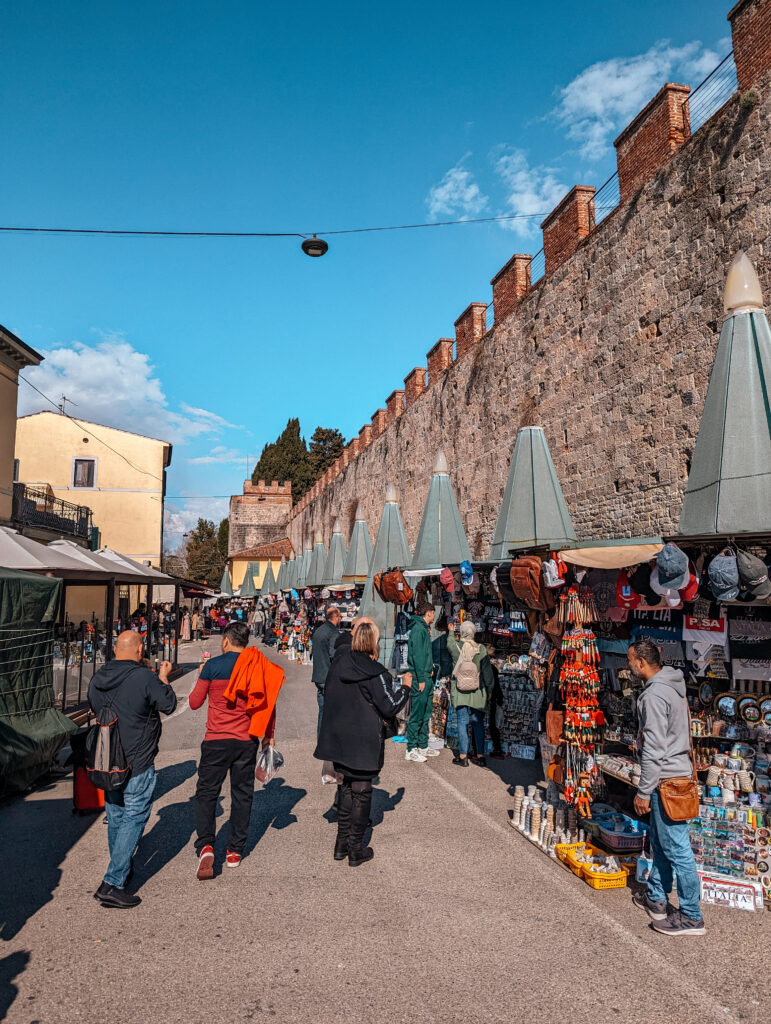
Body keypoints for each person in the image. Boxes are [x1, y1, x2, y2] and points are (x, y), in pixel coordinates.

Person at [88, 630, 177, 909]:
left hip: (107, 760)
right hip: (138, 759)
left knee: (116, 816)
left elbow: (95, 709)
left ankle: (121, 871)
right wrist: (163, 677)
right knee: (135, 816)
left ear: (116, 650)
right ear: (139, 650)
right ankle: (112, 882)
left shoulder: (97, 678)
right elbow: (169, 704)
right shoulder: (144, 677)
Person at [314, 619, 411, 866]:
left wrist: (357, 627)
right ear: (373, 643)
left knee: (345, 786)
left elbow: (341, 641)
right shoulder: (374, 671)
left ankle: (341, 844)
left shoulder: (340, 663)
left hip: (339, 739)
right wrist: (407, 688)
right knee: (361, 790)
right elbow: (390, 705)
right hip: (364, 739)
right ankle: (355, 848)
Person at [188, 621, 279, 878]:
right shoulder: (256, 665)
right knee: (242, 794)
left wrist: (201, 674)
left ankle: (206, 844)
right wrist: (268, 736)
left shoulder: (213, 666)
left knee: (206, 793)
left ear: (226, 640)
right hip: (245, 740)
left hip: (216, 740)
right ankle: (234, 851)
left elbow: (194, 703)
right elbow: (268, 703)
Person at [628, 638, 705, 936]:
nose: (628, 665)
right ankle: (657, 898)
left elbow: (655, 748)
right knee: (661, 844)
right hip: (675, 776)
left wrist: (644, 790)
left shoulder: (654, 696)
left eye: (630, 660)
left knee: (678, 849)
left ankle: (691, 916)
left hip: (667, 781)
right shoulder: (673, 687)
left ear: (642, 663)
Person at [446, 621, 495, 767]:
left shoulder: (455, 647)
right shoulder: (481, 650)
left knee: (462, 721)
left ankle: (463, 757)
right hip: (477, 690)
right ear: (474, 633)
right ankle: (480, 756)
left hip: (460, 690)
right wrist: (490, 688)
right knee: (477, 722)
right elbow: (487, 672)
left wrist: (450, 631)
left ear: (461, 633)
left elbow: (449, 642)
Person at [405, 601, 437, 762]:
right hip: (421, 678)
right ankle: (411, 748)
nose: (434, 617)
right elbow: (417, 656)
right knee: (417, 713)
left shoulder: (424, 629)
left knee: (426, 713)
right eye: (433, 613)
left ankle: (422, 745)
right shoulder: (418, 630)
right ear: (428, 613)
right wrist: (421, 678)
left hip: (427, 676)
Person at [311, 606, 342, 739]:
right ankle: (330, 741)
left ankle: (321, 739)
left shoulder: (319, 631)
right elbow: (334, 655)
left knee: (323, 711)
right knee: (333, 711)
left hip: (318, 676)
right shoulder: (333, 632)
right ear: (335, 617)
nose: (341, 619)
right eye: (340, 616)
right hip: (328, 677)